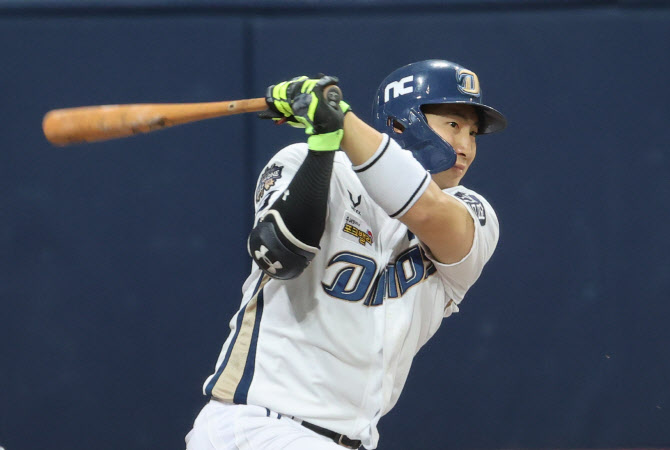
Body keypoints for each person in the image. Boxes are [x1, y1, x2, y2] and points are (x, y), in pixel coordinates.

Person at [185, 59, 507, 450]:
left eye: (473, 133)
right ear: (401, 122)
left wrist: (340, 118)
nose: (466, 146)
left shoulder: (474, 212)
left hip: (349, 440)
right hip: (257, 425)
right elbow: (280, 254)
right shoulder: (315, 166)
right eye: (453, 124)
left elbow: (427, 212)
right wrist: (324, 143)